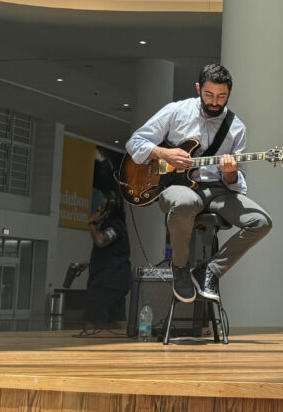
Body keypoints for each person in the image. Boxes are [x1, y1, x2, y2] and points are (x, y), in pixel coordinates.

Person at [126, 63, 272, 302]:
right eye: (209, 95)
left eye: (222, 96)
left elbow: (238, 183)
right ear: (198, 88)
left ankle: (208, 271)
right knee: (185, 202)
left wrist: (231, 173)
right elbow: (135, 143)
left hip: (217, 191)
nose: (215, 101)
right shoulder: (175, 112)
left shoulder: (236, 128)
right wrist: (164, 154)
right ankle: (180, 268)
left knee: (262, 222)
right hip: (176, 186)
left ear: (229, 93)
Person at [82, 192, 132, 329]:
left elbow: (100, 241)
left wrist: (91, 223)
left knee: (92, 319)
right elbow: (111, 254)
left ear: (110, 210)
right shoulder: (115, 226)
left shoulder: (115, 226)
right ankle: (128, 346)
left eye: (102, 206)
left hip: (108, 281)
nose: (98, 209)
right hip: (116, 279)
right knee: (118, 318)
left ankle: (87, 347)